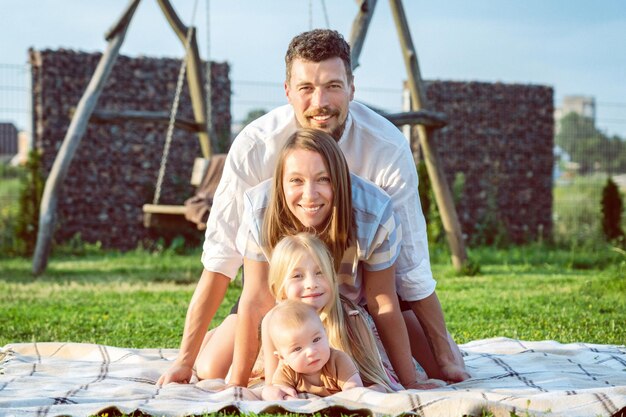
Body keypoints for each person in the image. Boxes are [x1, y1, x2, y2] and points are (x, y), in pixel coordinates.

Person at [158, 28, 468, 388]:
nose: (320, 101)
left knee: (431, 369)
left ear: (352, 87)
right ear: (287, 90)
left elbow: (410, 270)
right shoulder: (255, 147)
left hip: (360, 294)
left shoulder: (386, 148)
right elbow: (222, 260)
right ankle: (240, 339)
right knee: (210, 368)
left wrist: (442, 355)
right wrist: (188, 360)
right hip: (283, 294)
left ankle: (429, 350)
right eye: (306, 88)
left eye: (333, 86)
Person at [265, 299, 363, 398]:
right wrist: (288, 398)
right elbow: (279, 395)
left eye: (316, 339)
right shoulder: (287, 371)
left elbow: (354, 389)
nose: (311, 352)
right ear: (282, 358)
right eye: (297, 349)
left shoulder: (338, 360)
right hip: (306, 407)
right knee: (267, 393)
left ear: (326, 334)